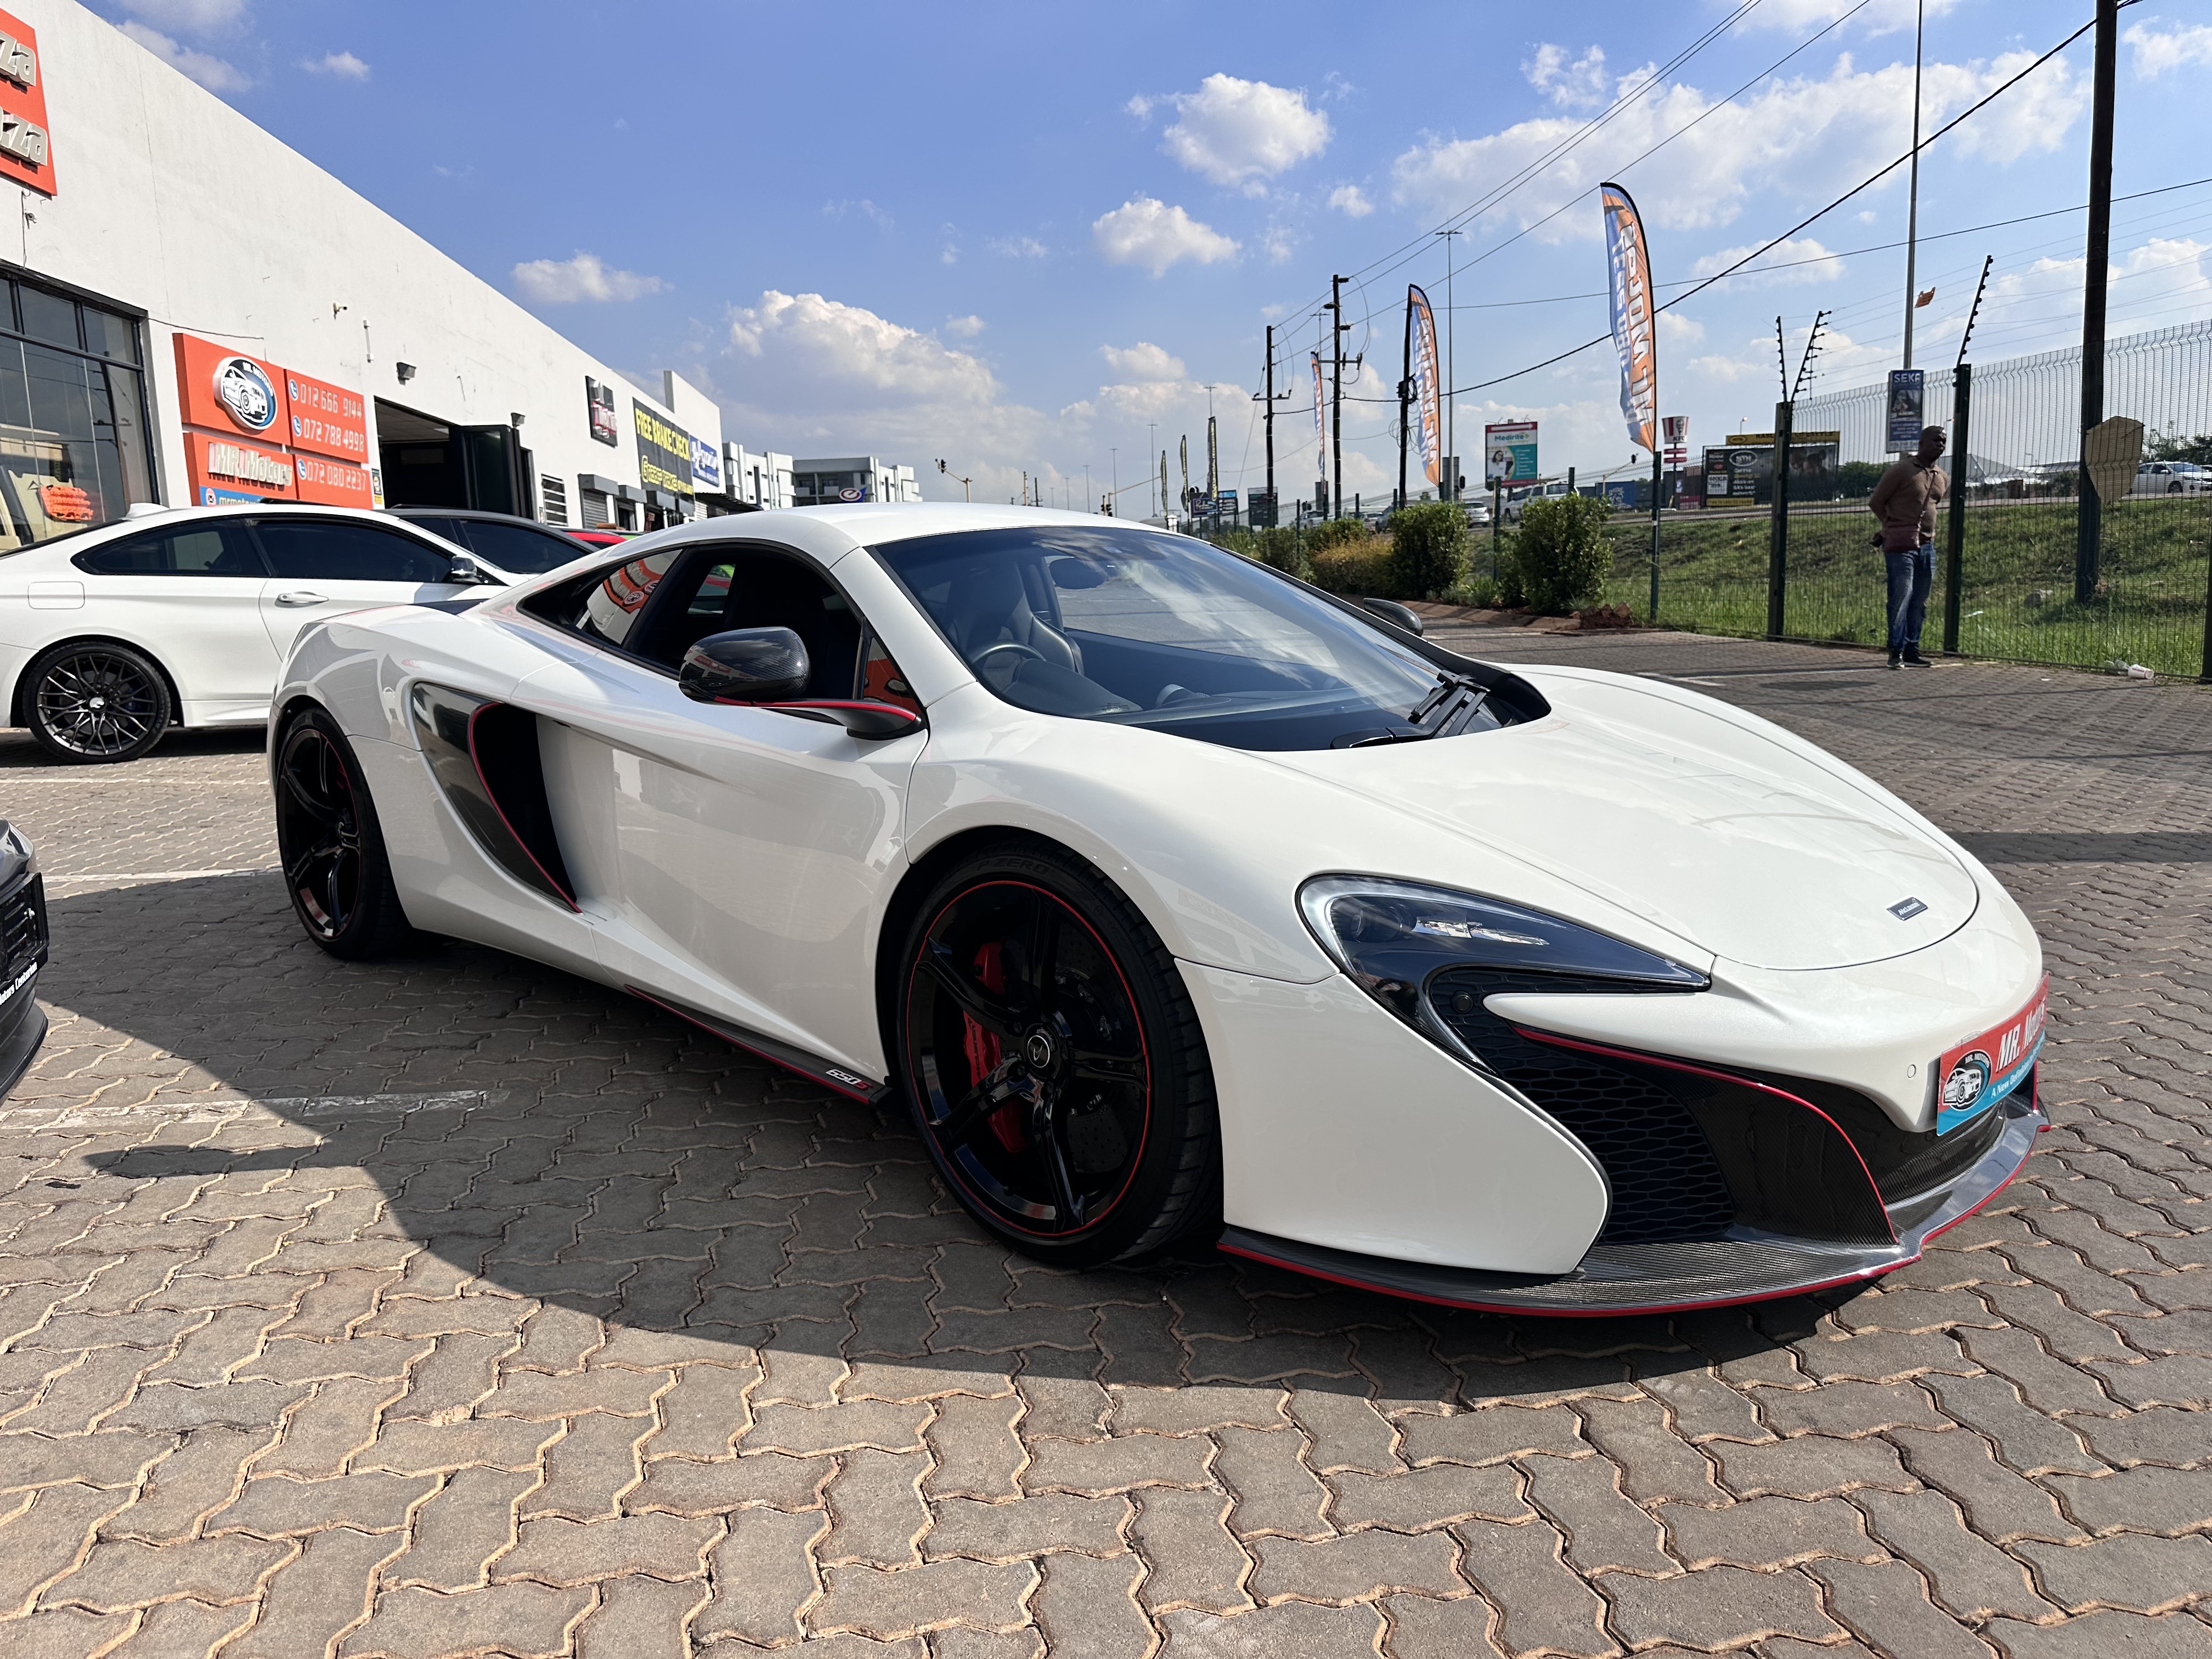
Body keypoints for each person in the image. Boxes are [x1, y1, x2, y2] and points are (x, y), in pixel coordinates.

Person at [1867, 425, 1949, 669]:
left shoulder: (1941, 477)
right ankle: (1896, 651)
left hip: (1927, 547)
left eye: (1943, 441)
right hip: (1901, 547)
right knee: (1901, 596)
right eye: (1935, 440)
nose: (1940, 445)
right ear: (1921, 443)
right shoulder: (1902, 470)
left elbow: (1933, 506)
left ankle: (1912, 649)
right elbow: (1877, 501)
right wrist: (1891, 525)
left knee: (1919, 601)